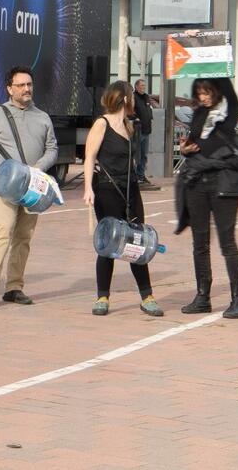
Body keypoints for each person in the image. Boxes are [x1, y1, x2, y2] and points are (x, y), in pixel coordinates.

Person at [0, 66, 56, 309]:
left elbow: (52, 148)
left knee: (24, 236)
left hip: (33, 187)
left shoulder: (42, 117)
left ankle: (14, 287)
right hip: (7, 184)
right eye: (21, 85)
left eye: (29, 84)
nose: (27, 89)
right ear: (10, 89)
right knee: (3, 229)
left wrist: (39, 167)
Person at [176, 77, 238, 319]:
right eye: (199, 92)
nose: (203, 97)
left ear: (217, 92)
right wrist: (185, 149)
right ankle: (202, 297)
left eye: (207, 92)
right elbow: (193, 143)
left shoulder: (227, 116)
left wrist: (215, 61)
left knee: (227, 243)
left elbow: (231, 95)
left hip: (224, 184)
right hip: (198, 182)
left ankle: (237, 300)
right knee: (200, 243)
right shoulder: (199, 115)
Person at [84, 82, 161, 318]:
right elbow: (89, 157)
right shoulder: (101, 123)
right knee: (110, 242)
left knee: (137, 240)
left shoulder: (129, 127)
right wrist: (88, 188)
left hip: (130, 190)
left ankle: (147, 296)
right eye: (131, 98)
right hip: (107, 189)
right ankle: (102, 297)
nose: (134, 102)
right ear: (125, 99)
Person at [131, 79, 155, 185]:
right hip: (138, 130)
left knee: (144, 155)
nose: (143, 87)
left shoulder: (146, 97)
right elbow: (129, 111)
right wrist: (135, 118)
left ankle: (141, 175)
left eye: (144, 85)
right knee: (136, 155)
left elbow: (149, 109)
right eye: (141, 85)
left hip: (146, 130)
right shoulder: (133, 97)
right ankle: (134, 176)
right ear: (136, 86)